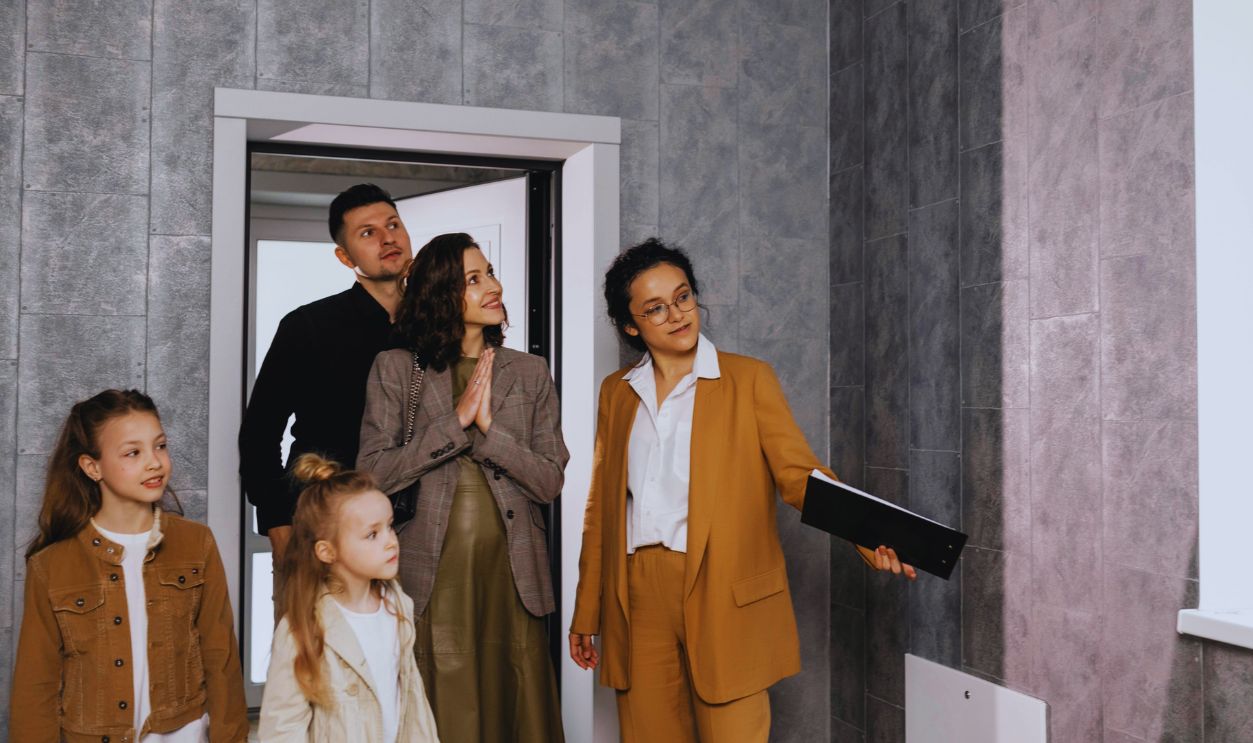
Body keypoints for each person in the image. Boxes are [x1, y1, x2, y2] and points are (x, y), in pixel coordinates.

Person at [569, 239, 916, 742]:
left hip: (724, 588)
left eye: (683, 296)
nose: (677, 314)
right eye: (655, 308)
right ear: (631, 326)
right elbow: (602, 508)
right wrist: (587, 611)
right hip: (638, 593)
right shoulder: (617, 392)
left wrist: (873, 535)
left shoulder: (749, 379)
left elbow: (800, 477)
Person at [358, 232, 567, 742]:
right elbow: (373, 475)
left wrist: (492, 432)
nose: (493, 286)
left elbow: (549, 480)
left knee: (516, 713)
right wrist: (456, 422)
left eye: (490, 273)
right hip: (433, 577)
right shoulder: (395, 369)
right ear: (442, 294)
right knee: (443, 716)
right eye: (473, 279)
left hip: (514, 578)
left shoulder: (530, 371)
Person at [11, 389, 248, 742]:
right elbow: (37, 685)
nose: (154, 462)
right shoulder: (52, 565)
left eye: (161, 446)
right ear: (92, 467)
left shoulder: (197, 543)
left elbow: (221, 658)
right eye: (133, 452)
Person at [239, 183, 409, 569]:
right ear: (344, 256)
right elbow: (260, 433)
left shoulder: (437, 328)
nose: (387, 238)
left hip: (415, 529)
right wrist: (278, 524)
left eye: (393, 225)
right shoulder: (308, 325)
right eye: (368, 233)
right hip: (325, 521)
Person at [259, 454, 440, 743]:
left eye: (390, 526)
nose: (391, 541)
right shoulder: (303, 628)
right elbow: (282, 728)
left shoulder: (397, 608)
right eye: (372, 535)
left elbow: (413, 705)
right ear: (327, 551)